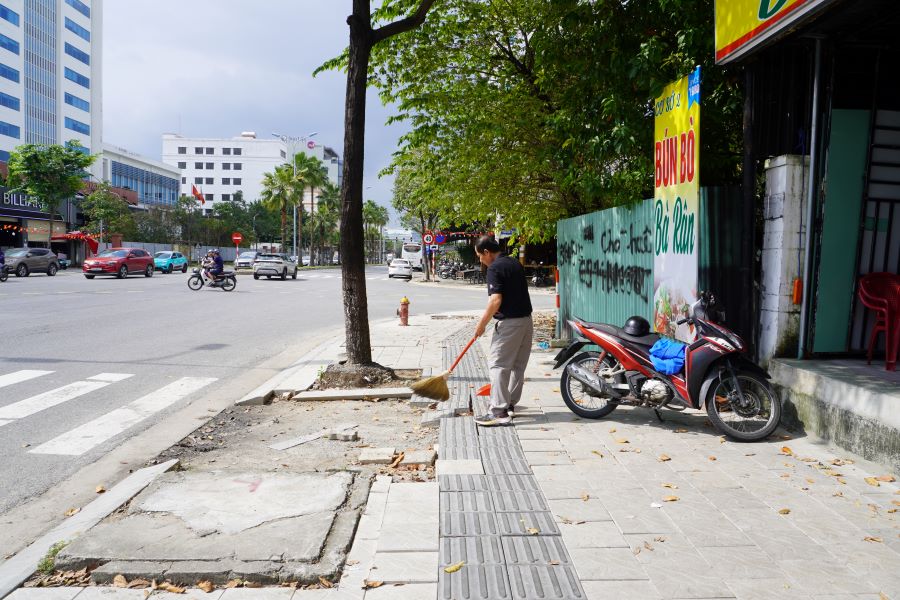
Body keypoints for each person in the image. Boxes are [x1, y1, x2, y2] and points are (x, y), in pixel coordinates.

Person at [472, 235, 533, 427]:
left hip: (509, 324)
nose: (480, 260)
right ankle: (510, 404)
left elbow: (495, 300)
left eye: (480, 256)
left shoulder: (494, 268)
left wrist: (481, 324)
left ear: (487, 253)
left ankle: (498, 411)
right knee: (517, 366)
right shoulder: (514, 263)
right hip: (526, 321)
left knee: (498, 366)